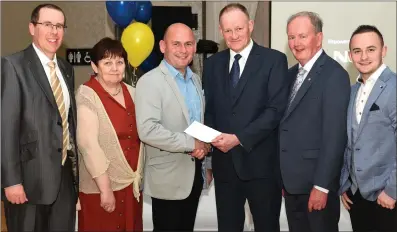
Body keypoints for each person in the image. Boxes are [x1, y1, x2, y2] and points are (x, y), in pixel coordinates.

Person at [203, 3, 289, 231]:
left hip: (262, 167)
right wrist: (213, 138)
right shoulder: (212, 64)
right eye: (228, 30)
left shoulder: (274, 60)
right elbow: (209, 109)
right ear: (221, 31)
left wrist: (238, 138)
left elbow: (275, 111)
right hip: (225, 167)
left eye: (239, 28)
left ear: (250, 26)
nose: (234, 35)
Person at [1, 3, 78, 231]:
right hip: (28, 180)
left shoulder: (66, 68)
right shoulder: (13, 66)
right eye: (47, 25)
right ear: (32, 28)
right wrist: (11, 181)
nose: (54, 32)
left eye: (59, 26)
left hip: (63, 179)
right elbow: (6, 128)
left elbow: (67, 122)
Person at [279, 11, 351, 232]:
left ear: (319, 38)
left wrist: (321, 186)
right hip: (292, 186)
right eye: (291, 37)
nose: (296, 43)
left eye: (302, 36)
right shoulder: (290, 75)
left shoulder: (334, 74)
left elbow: (335, 136)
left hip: (317, 187)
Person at [135, 23, 209, 231]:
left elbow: (196, 123)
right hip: (167, 179)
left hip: (194, 174)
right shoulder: (150, 82)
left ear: (194, 47)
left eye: (188, 44)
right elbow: (148, 129)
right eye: (176, 44)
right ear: (162, 46)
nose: (183, 50)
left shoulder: (194, 79)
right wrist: (191, 143)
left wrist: (206, 148)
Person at [76, 37, 144, 231]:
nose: (115, 68)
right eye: (107, 63)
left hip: (131, 187)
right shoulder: (87, 94)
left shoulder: (133, 92)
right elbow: (87, 144)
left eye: (119, 62)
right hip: (100, 189)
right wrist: (105, 189)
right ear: (95, 67)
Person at [339, 25, 396, 232]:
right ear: (350, 55)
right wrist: (344, 183)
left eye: (371, 49)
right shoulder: (352, 91)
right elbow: (349, 141)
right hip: (357, 197)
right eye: (357, 51)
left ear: (384, 51)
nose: (363, 56)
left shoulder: (394, 87)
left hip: (387, 197)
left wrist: (392, 191)